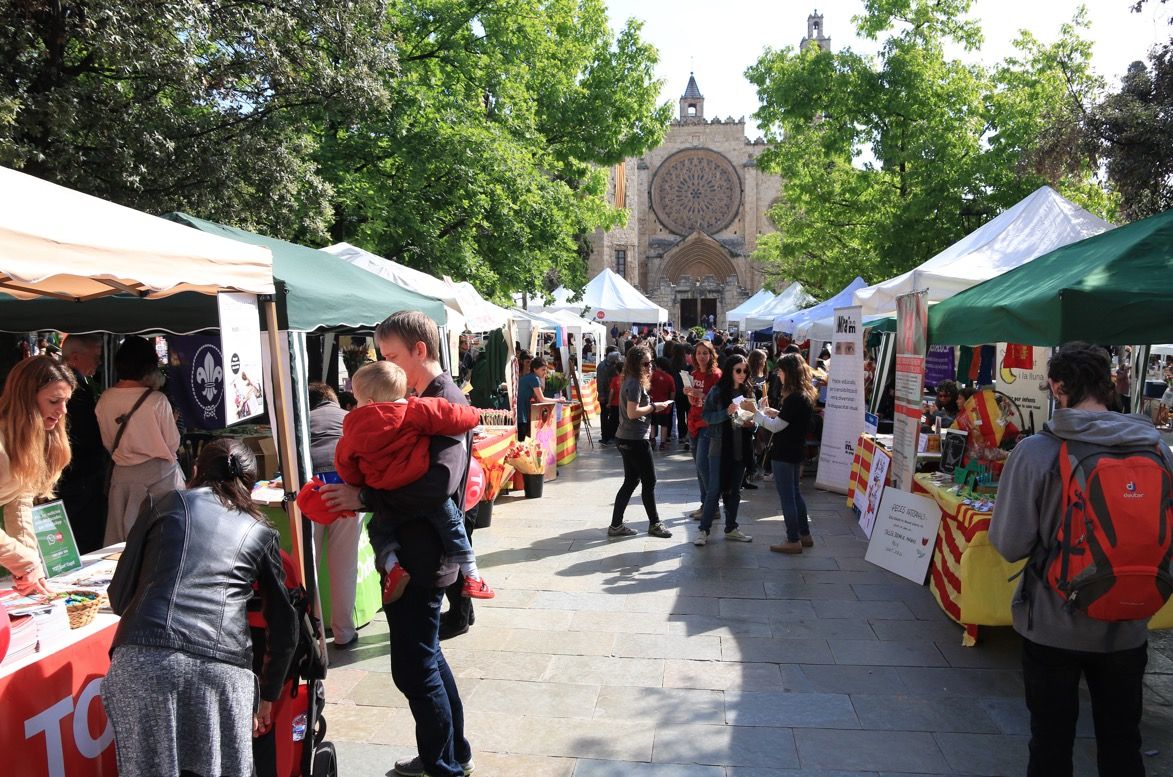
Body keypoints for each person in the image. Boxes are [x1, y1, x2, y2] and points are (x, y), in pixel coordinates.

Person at [989, 342, 1173, 777]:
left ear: (1057, 387)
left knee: (1051, 742)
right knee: (1123, 742)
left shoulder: (1037, 451)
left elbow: (1009, 543)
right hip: (1129, 621)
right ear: (1109, 386)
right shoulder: (1157, 450)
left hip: (1054, 620)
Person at [319, 311, 475, 777]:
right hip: (418, 549)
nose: (385, 368)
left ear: (419, 351)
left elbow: (437, 485)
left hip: (423, 554)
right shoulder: (419, 400)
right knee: (426, 658)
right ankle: (450, 753)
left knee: (412, 668)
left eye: (391, 357)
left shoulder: (439, 400)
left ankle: (441, 764)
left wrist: (363, 495)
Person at [103, 439, 298, 777]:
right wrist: (267, 695)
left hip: (141, 659)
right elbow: (285, 624)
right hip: (220, 669)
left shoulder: (164, 503)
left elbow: (120, 596)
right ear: (250, 485)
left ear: (195, 471)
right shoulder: (260, 529)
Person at [335, 361, 493, 602]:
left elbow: (346, 463)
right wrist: (474, 414)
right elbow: (451, 415)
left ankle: (392, 567)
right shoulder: (413, 410)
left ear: (367, 403)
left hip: (387, 494)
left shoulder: (353, 428)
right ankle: (472, 575)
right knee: (453, 527)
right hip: (420, 485)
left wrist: (360, 483)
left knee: (378, 531)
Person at [97, 335, 183, 545]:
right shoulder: (157, 400)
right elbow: (172, 444)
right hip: (160, 479)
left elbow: (108, 442)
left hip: (123, 478)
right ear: (149, 366)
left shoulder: (105, 398)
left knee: (121, 547)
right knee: (162, 543)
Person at [0, 356, 75, 595]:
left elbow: (19, 501)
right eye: (54, 401)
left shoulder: (34, 439)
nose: (62, 411)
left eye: (66, 402)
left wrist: (30, 564)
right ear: (25, 399)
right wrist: (23, 561)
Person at [306, 381, 364, 649]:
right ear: (332, 398)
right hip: (346, 489)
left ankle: (311, 631)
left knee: (309, 566)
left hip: (312, 489)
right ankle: (344, 632)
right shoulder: (350, 417)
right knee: (344, 564)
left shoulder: (302, 419)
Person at [608, 346, 674, 539]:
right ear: (636, 365)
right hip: (635, 438)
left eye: (651, 362)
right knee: (649, 481)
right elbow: (632, 412)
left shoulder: (631, 381)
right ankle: (654, 523)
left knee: (631, 481)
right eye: (646, 364)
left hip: (626, 437)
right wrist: (654, 407)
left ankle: (616, 525)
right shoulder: (635, 383)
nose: (650, 367)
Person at [55, 334, 109, 553]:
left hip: (78, 474)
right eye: (95, 357)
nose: (98, 363)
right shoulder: (71, 389)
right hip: (79, 475)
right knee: (83, 537)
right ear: (75, 358)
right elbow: (85, 435)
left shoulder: (80, 385)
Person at [694, 354, 755, 546]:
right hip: (719, 447)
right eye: (738, 370)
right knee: (714, 489)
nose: (742, 374)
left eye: (745, 371)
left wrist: (751, 424)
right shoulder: (718, 391)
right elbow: (707, 416)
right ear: (730, 370)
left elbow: (753, 422)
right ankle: (703, 530)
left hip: (740, 447)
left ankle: (731, 527)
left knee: (735, 490)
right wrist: (725, 413)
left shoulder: (748, 392)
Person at [762, 353, 818, 554]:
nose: (778, 375)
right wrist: (775, 413)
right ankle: (804, 534)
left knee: (788, 497)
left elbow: (777, 427)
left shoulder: (794, 397)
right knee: (795, 494)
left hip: (785, 452)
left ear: (789, 373)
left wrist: (758, 415)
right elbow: (790, 420)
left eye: (780, 371)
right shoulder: (803, 395)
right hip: (795, 450)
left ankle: (793, 538)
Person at [686, 340, 722, 518]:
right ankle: (705, 504)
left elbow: (719, 402)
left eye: (705, 353)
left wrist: (701, 394)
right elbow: (694, 402)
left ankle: (713, 507)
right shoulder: (693, 374)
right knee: (698, 468)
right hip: (693, 421)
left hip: (708, 424)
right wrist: (691, 395)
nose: (701, 356)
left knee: (703, 465)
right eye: (698, 353)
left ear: (711, 355)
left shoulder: (716, 375)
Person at [516, 356, 563, 441]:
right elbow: (542, 399)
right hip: (520, 412)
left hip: (520, 411)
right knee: (521, 441)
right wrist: (558, 400)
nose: (545, 372)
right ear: (534, 369)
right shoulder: (534, 379)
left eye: (545, 369)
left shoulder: (529, 377)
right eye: (543, 370)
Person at [742, 348, 770, 489]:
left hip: (759, 413)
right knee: (750, 444)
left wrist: (766, 411)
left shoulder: (762, 377)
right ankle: (747, 473)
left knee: (755, 444)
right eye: (764, 361)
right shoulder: (748, 377)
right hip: (750, 414)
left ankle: (749, 472)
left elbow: (765, 398)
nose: (765, 363)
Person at [597, 348, 622, 445]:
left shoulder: (615, 366)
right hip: (606, 395)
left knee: (614, 416)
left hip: (615, 396)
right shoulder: (602, 367)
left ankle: (613, 435)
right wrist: (602, 395)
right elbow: (600, 382)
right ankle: (605, 437)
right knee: (604, 416)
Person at [649, 357, 676, 450]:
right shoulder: (670, 378)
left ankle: (652, 439)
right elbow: (672, 392)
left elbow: (647, 387)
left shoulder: (652, 375)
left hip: (653, 404)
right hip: (665, 405)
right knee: (664, 424)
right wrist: (671, 402)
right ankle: (663, 443)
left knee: (653, 423)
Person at [670, 344, 692, 450]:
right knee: (689, 413)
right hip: (686, 390)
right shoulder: (686, 363)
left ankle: (681, 435)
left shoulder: (671, 363)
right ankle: (688, 434)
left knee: (679, 413)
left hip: (676, 391)